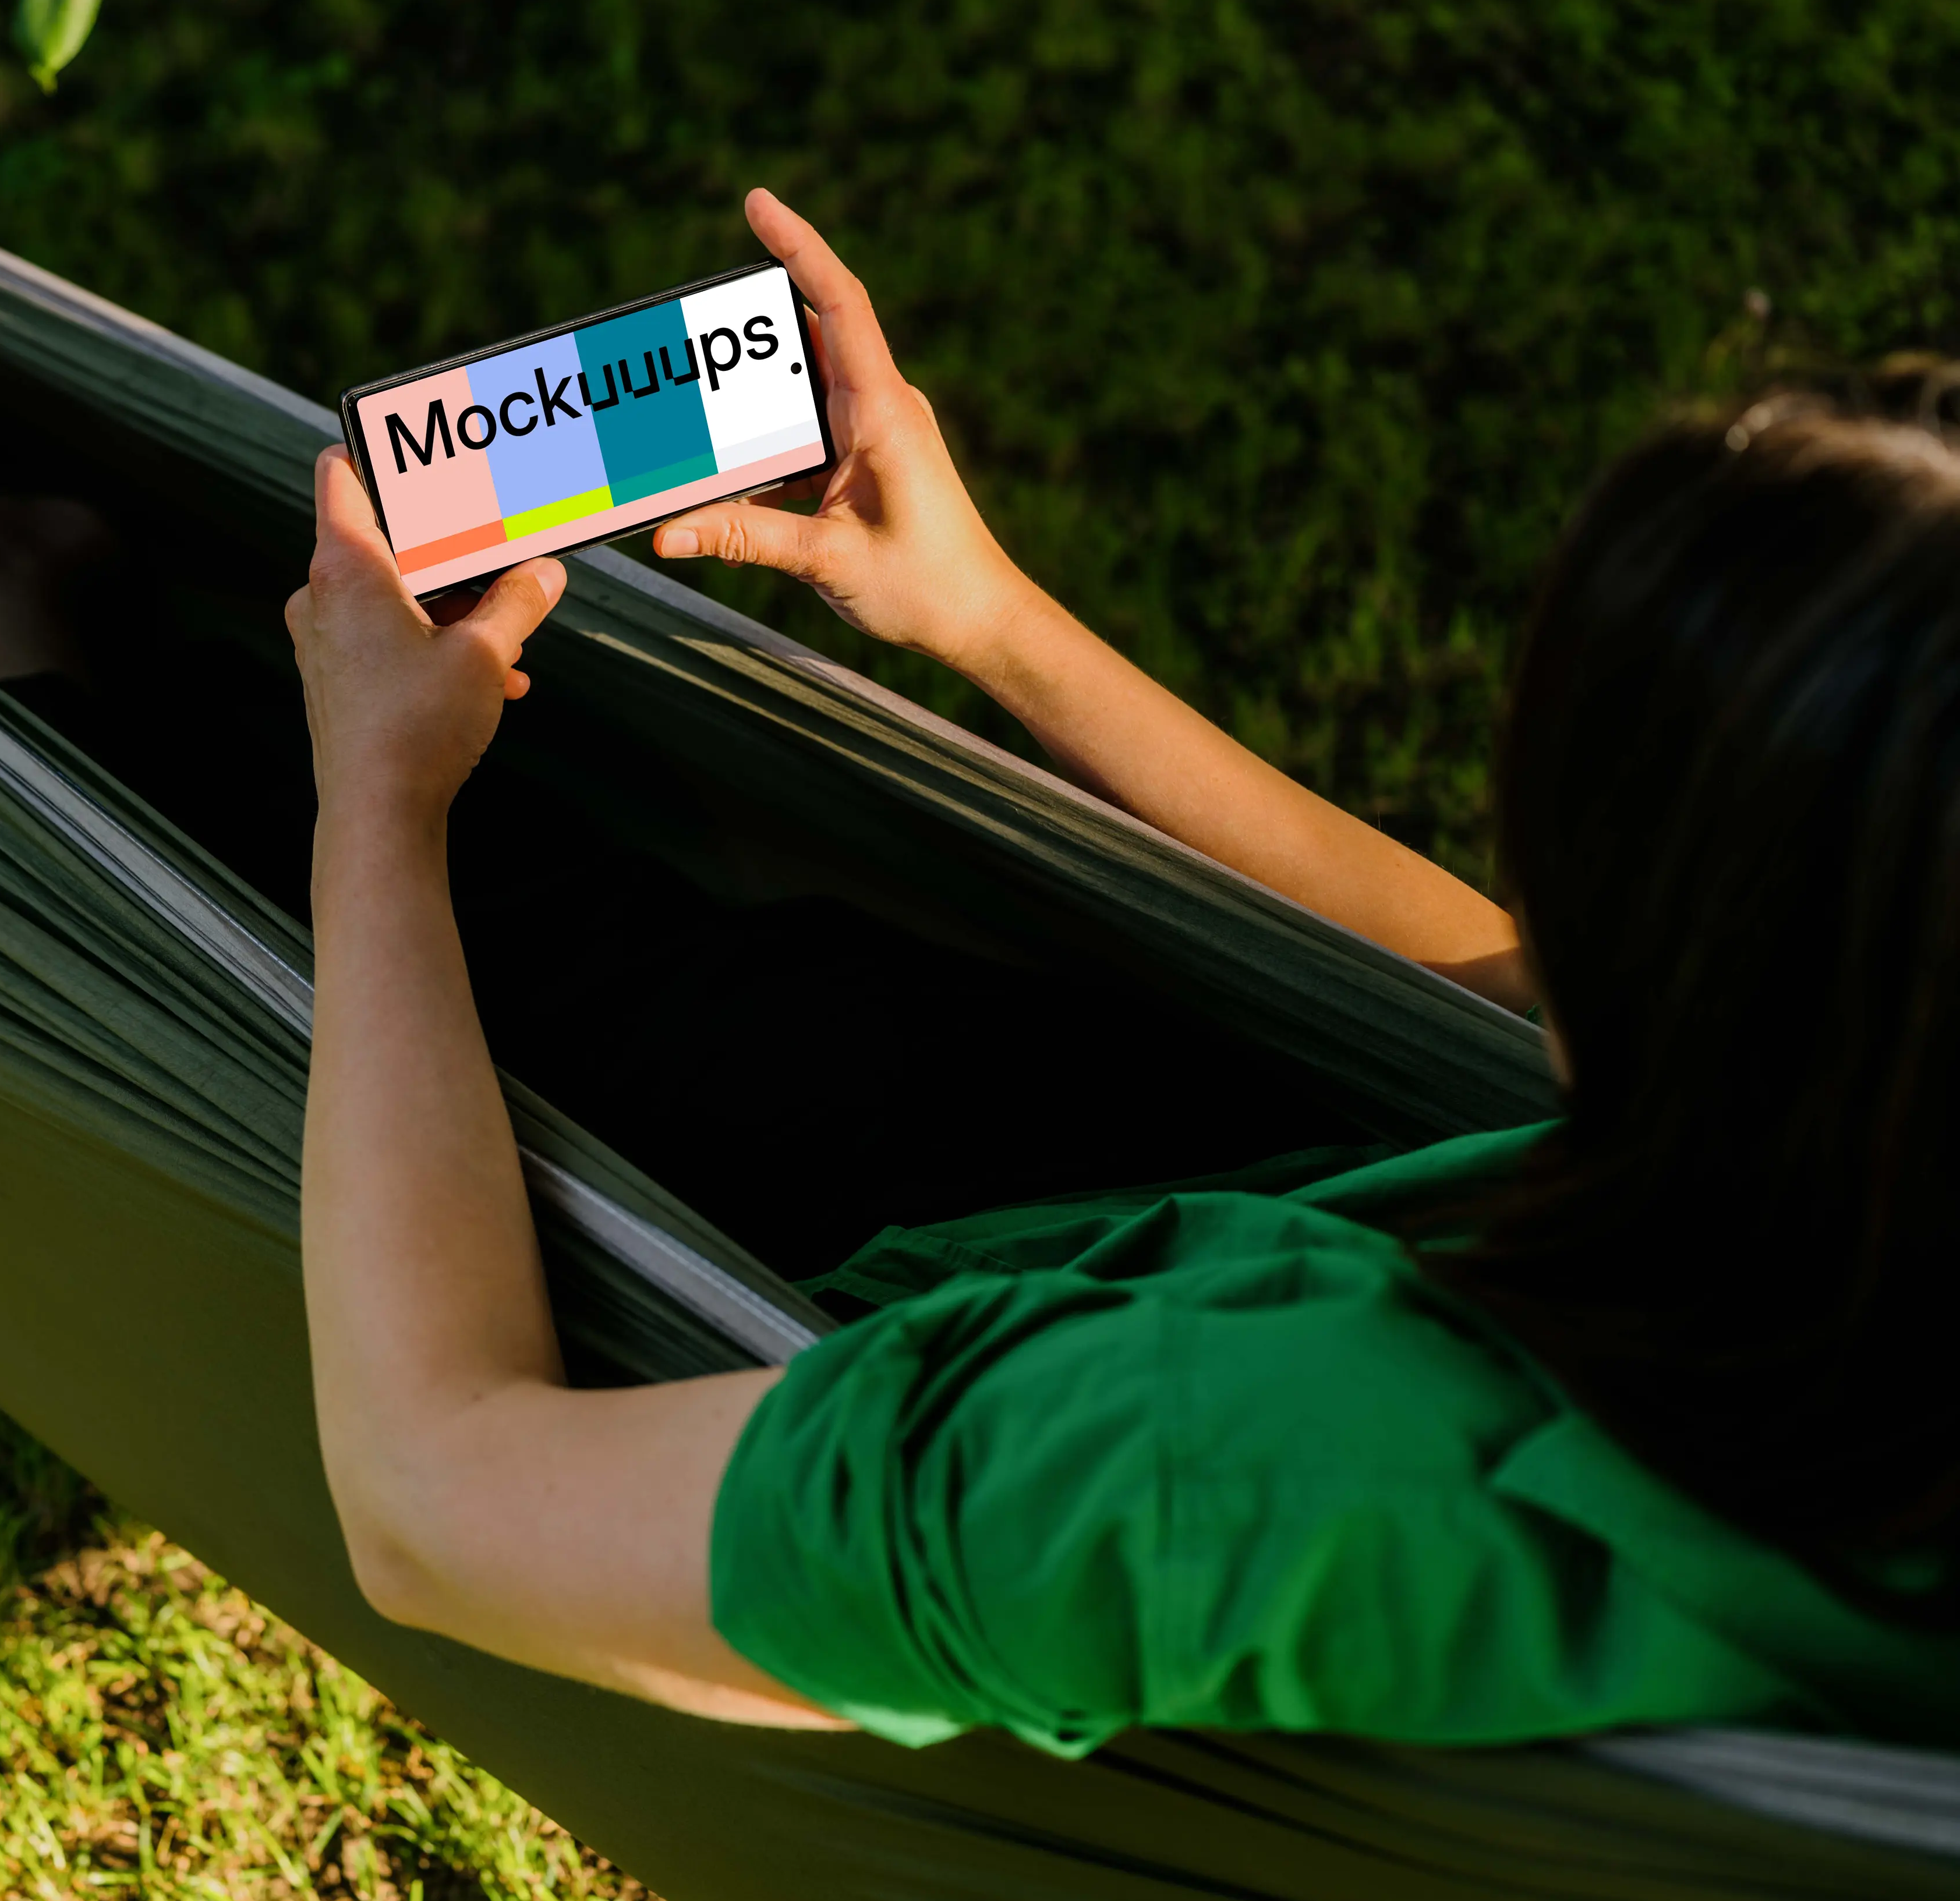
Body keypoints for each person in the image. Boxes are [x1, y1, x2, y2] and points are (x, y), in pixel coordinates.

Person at [280, 187, 1960, 1750]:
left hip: (872, 1310)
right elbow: (1510, 996)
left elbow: (436, 1503)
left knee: (597, 957)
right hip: (1313, 1214)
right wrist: (987, 614)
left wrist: (380, 794)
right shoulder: (1859, 1234)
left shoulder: (1199, 1468)